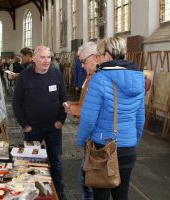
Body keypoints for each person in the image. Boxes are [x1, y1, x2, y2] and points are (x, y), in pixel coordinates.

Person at [77, 37, 145, 200]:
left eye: (98, 56)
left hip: (103, 147)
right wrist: (133, 140)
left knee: (100, 195)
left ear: (107, 56)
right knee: (122, 194)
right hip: (128, 147)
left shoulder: (99, 79)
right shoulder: (139, 77)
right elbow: (140, 116)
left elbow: (88, 119)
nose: (97, 59)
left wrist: (81, 141)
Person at [12, 45, 68, 200]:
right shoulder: (24, 76)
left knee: (56, 162)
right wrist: (25, 125)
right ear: (34, 58)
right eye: (43, 57)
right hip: (33, 129)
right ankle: (33, 194)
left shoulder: (56, 74)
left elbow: (64, 100)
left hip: (53, 128)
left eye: (49, 57)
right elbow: (16, 103)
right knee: (31, 164)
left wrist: (61, 120)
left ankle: (59, 194)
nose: (46, 60)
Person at [64, 42, 99, 200]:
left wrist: (75, 110)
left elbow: (93, 112)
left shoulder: (98, 80)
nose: (82, 66)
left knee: (88, 181)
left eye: (83, 62)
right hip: (91, 138)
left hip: (95, 137)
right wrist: (74, 106)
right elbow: (84, 104)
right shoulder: (90, 76)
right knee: (85, 179)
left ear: (95, 57)